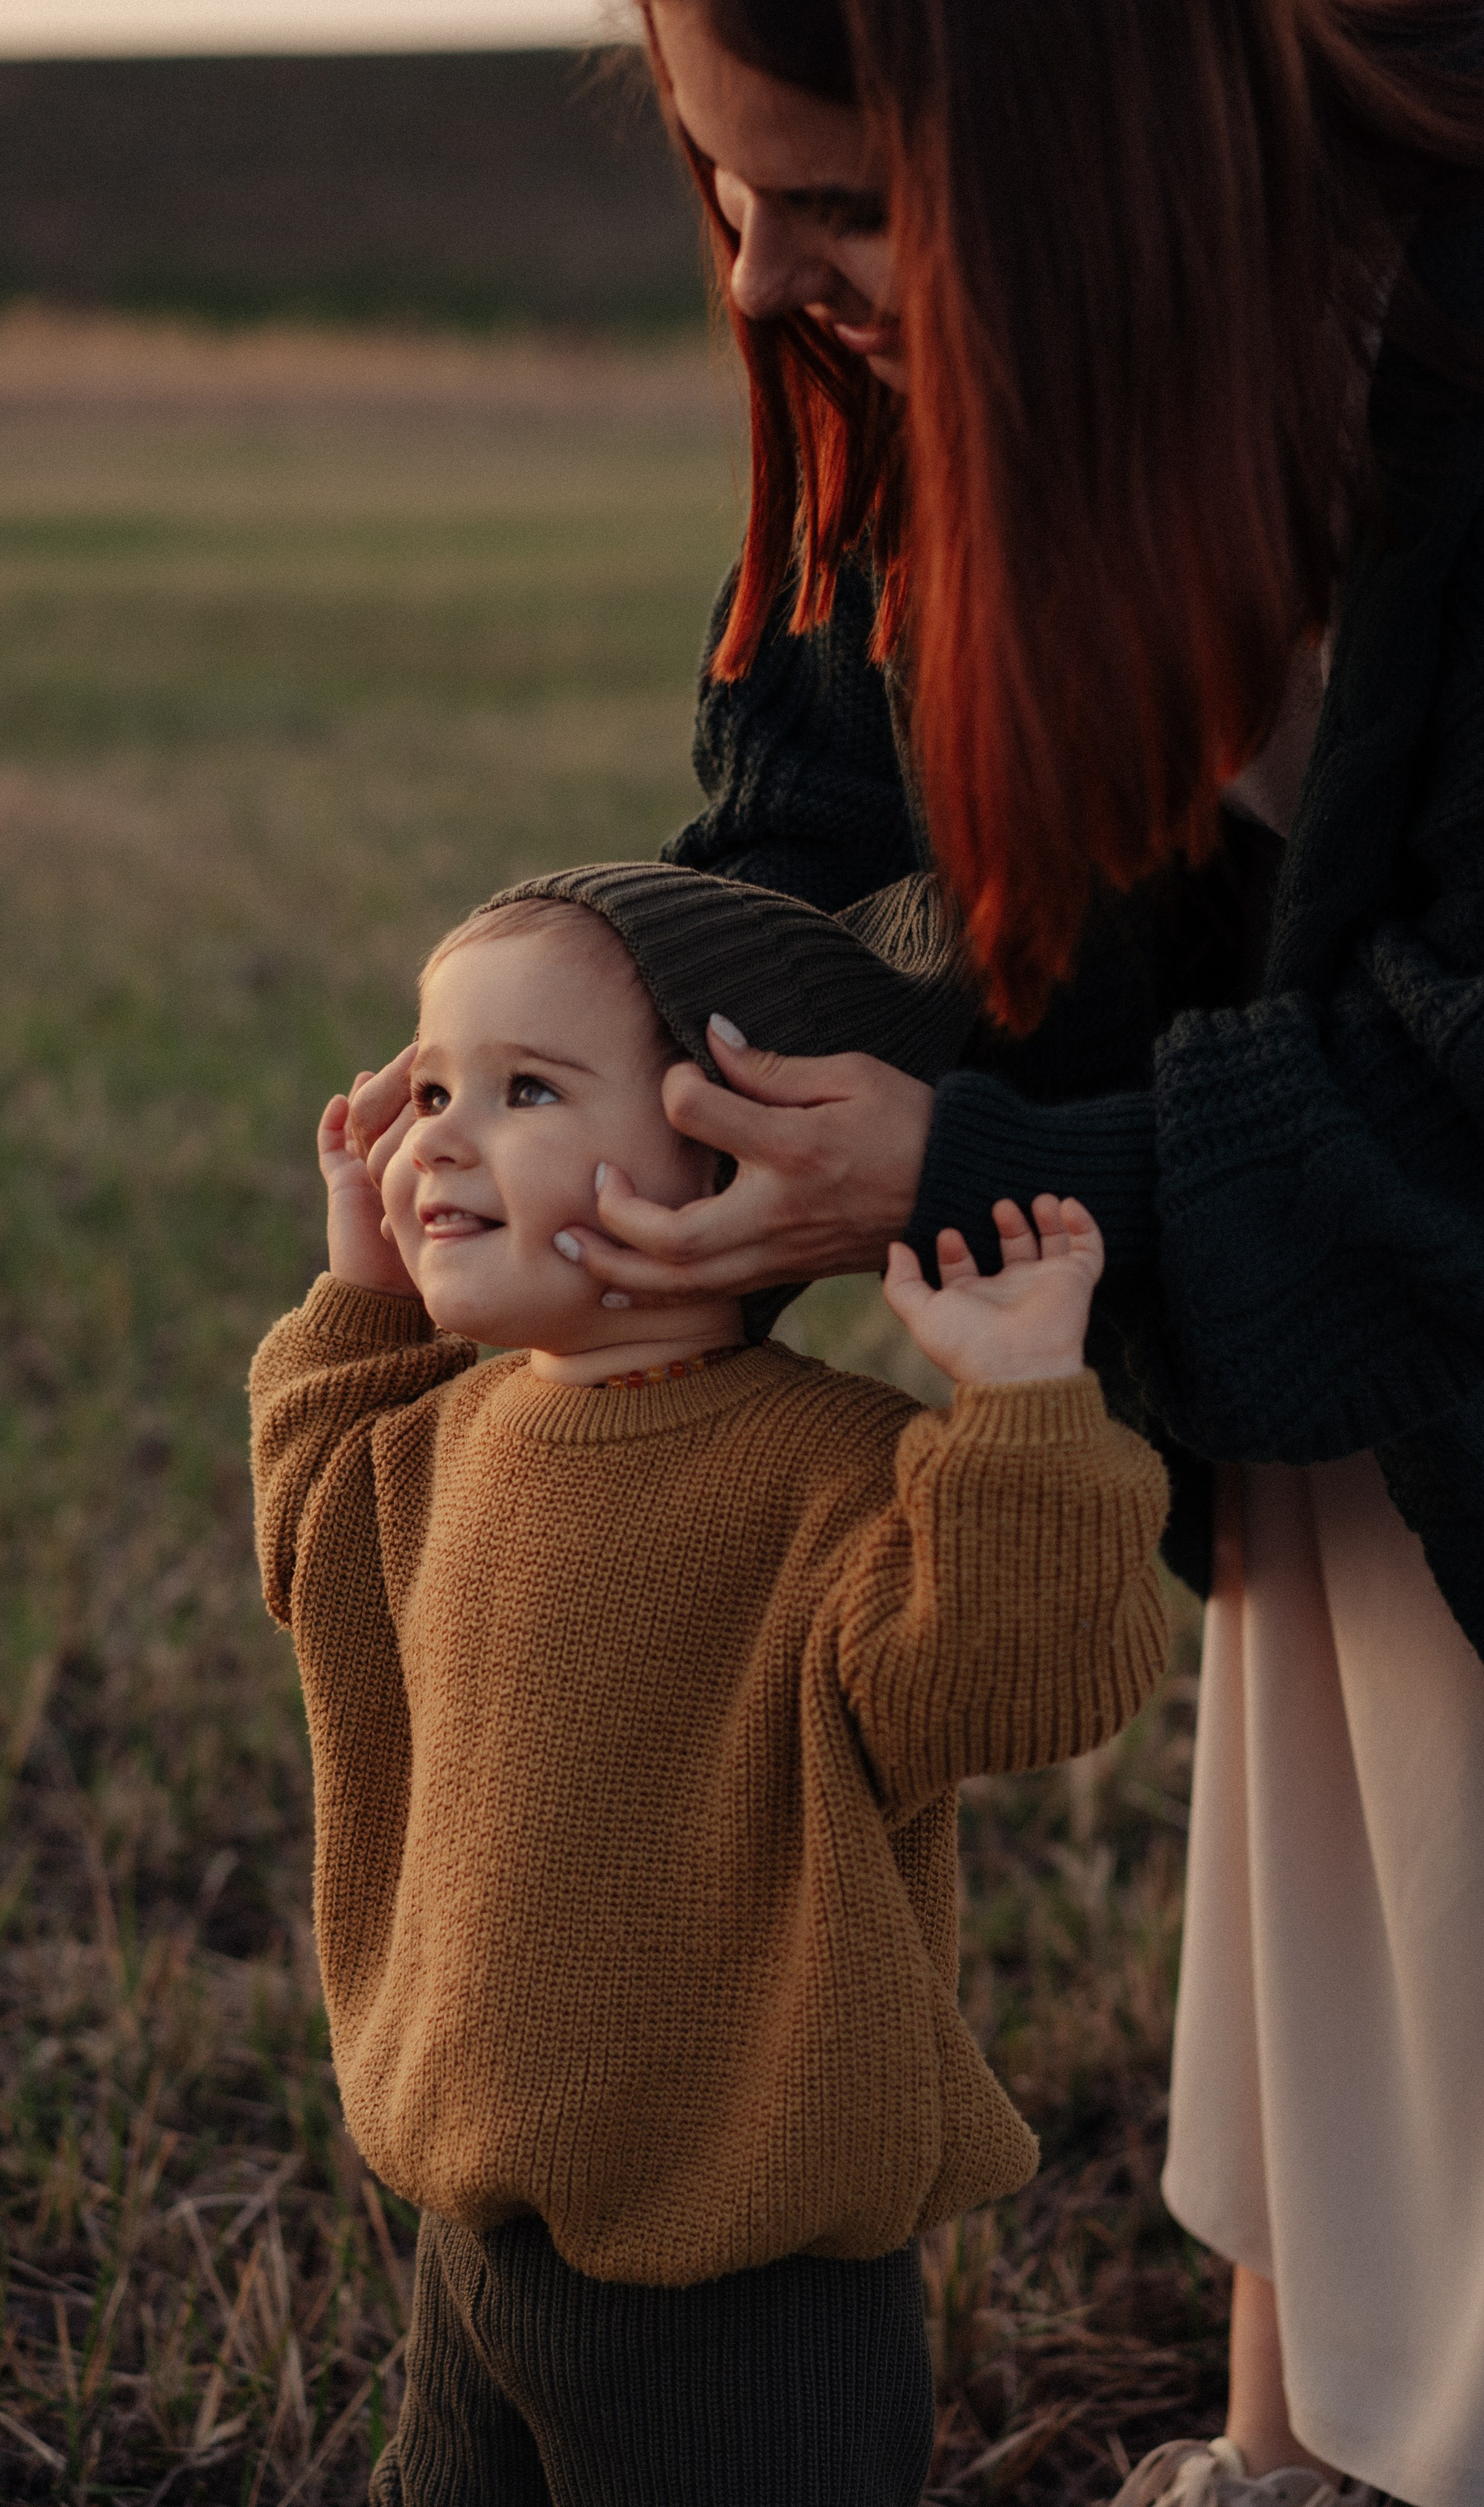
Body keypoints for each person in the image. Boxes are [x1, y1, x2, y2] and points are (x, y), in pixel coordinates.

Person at [526, 7, 1484, 2506]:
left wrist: (960, 1165)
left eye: (832, 207)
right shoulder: (988, 369)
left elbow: (1464, 1097)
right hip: (1348, 1322)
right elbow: (834, 803)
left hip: (1418, 1222)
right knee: (1369, 1820)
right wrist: (618, 1059)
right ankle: (1305, 2445)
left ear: (1082, 156)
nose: (756, 281)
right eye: (721, 193)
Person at [249, 868, 1171, 2503]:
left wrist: (1026, 1409)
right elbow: (309, 1537)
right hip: (479, 2231)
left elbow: (1015, 1686)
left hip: (744, 2285)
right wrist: (365, 1298)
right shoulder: (437, 1444)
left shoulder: (834, 1481)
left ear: (731, 1162)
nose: (439, 1140)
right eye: (432, 1086)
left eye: (525, 1091)